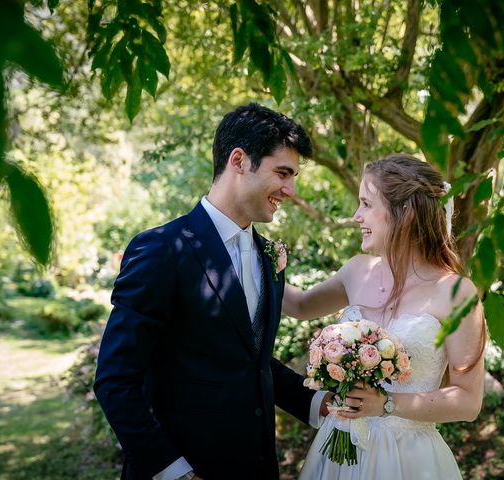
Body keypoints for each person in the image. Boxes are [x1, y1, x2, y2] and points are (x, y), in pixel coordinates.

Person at [94, 103, 330, 480]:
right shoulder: (161, 250)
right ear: (239, 160)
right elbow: (115, 378)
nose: (291, 189)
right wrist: (173, 471)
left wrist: (318, 403)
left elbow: (249, 361)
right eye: (282, 173)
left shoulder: (269, 255)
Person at [283, 154, 486, 479]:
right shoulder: (356, 271)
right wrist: (256, 257)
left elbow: (468, 401)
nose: (356, 216)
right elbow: (299, 306)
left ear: (403, 213)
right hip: (339, 449)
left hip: (409, 459)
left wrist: (387, 404)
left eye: (366, 204)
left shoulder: (456, 294)